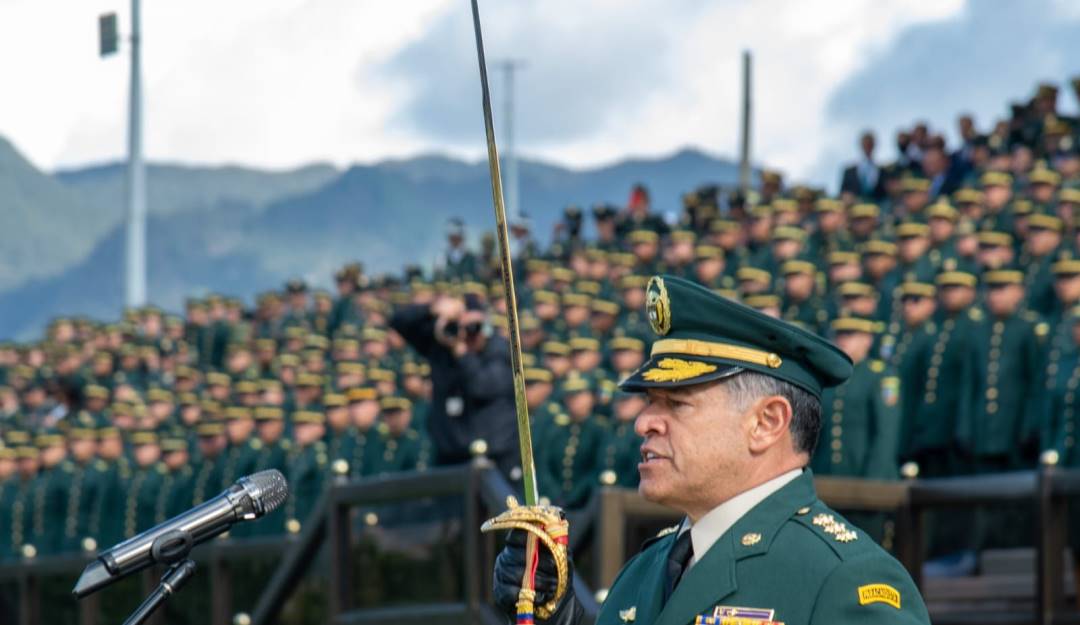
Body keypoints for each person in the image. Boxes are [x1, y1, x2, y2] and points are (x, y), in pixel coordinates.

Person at [492, 275, 929, 625]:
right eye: (649, 401)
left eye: (677, 403)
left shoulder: (846, 578)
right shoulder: (645, 571)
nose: (644, 422)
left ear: (766, 422)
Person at [390, 292, 517, 477]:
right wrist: (433, 309)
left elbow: (482, 386)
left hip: (495, 459)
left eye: (474, 327)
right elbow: (398, 321)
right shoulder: (442, 346)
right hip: (450, 456)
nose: (466, 335)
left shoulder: (499, 351)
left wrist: (462, 354)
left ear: (487, 327)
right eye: (460, 327)